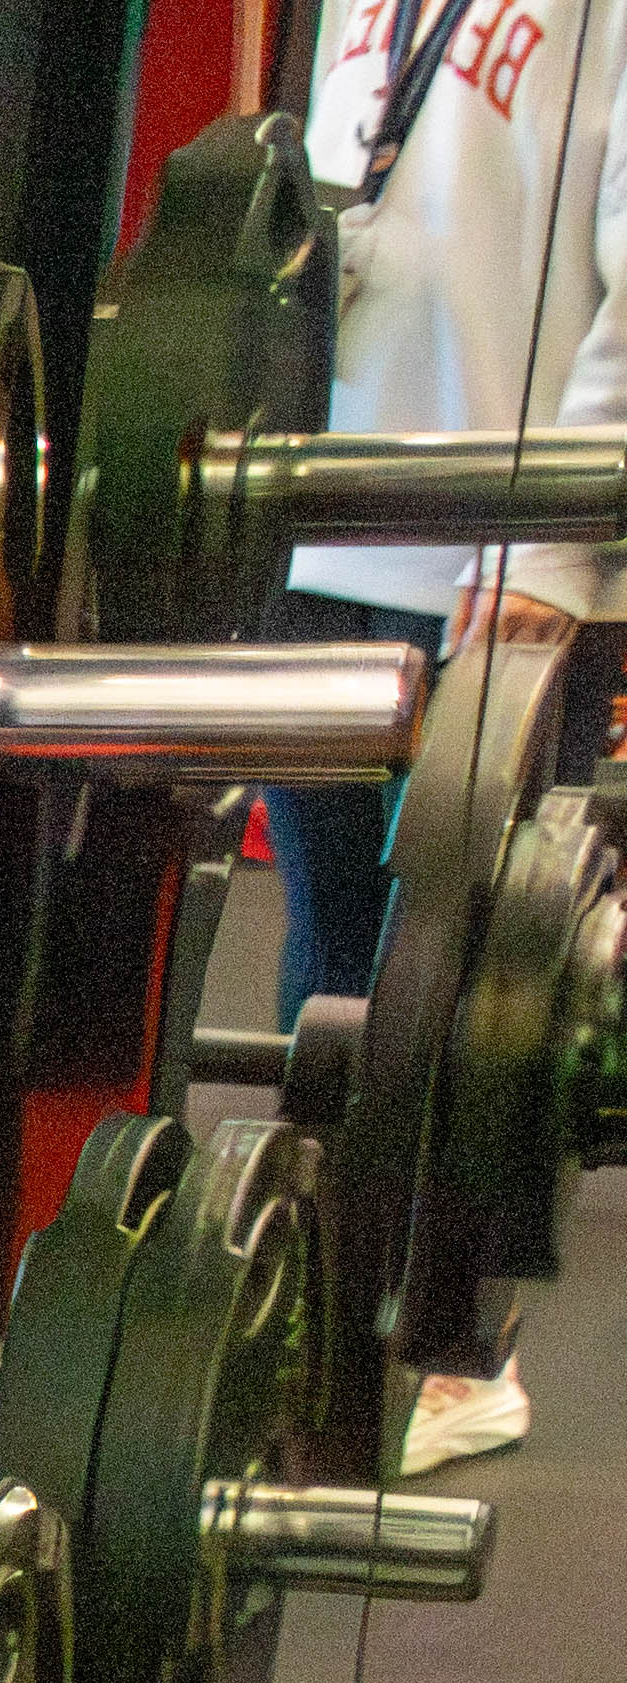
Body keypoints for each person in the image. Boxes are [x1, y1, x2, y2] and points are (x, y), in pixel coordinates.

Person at [277, 0, 627, 1473]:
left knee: (462, 990)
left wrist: (559, 540)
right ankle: (311, 1338)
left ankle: (456, 1352)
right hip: (328, 520)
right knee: (326, 961)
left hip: (500, 554)